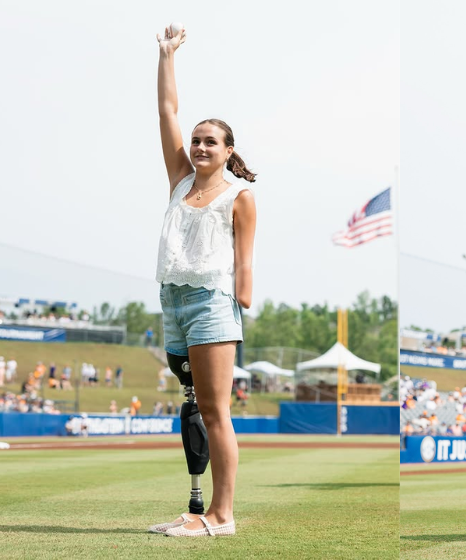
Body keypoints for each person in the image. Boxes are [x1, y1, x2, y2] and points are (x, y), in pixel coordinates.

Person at [148, 23, 256, 539]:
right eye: (195, 140)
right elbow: (167, 111)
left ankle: (222, 516)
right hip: (173, 299)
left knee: (216, 412)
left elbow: (245, 258)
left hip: (212, 303)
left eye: (209, 141)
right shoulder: (180, 179)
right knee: (194, 407)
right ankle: (196, 508)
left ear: (228, 148)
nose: (198, 147)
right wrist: (168, 55)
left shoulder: (238, 194)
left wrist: (243, 301)